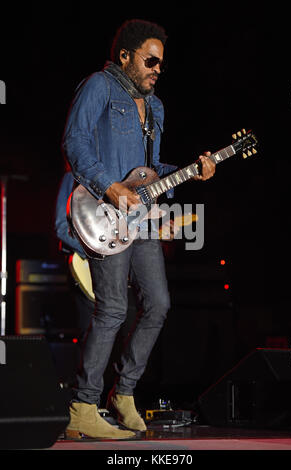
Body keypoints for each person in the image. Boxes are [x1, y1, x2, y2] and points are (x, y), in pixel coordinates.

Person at [62, 19, 216, 440]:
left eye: (161, 63)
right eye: (150, 60)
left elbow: (150, 172)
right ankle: (83, 405)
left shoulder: (157, 107)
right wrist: (108, 187)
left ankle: (123, 393)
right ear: (125, 56)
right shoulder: (99, 86)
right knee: (112, 310)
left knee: (160, 304)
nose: (157, 69)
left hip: (142, 220)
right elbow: (74, 142)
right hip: (103, 212)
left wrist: (191, 171)